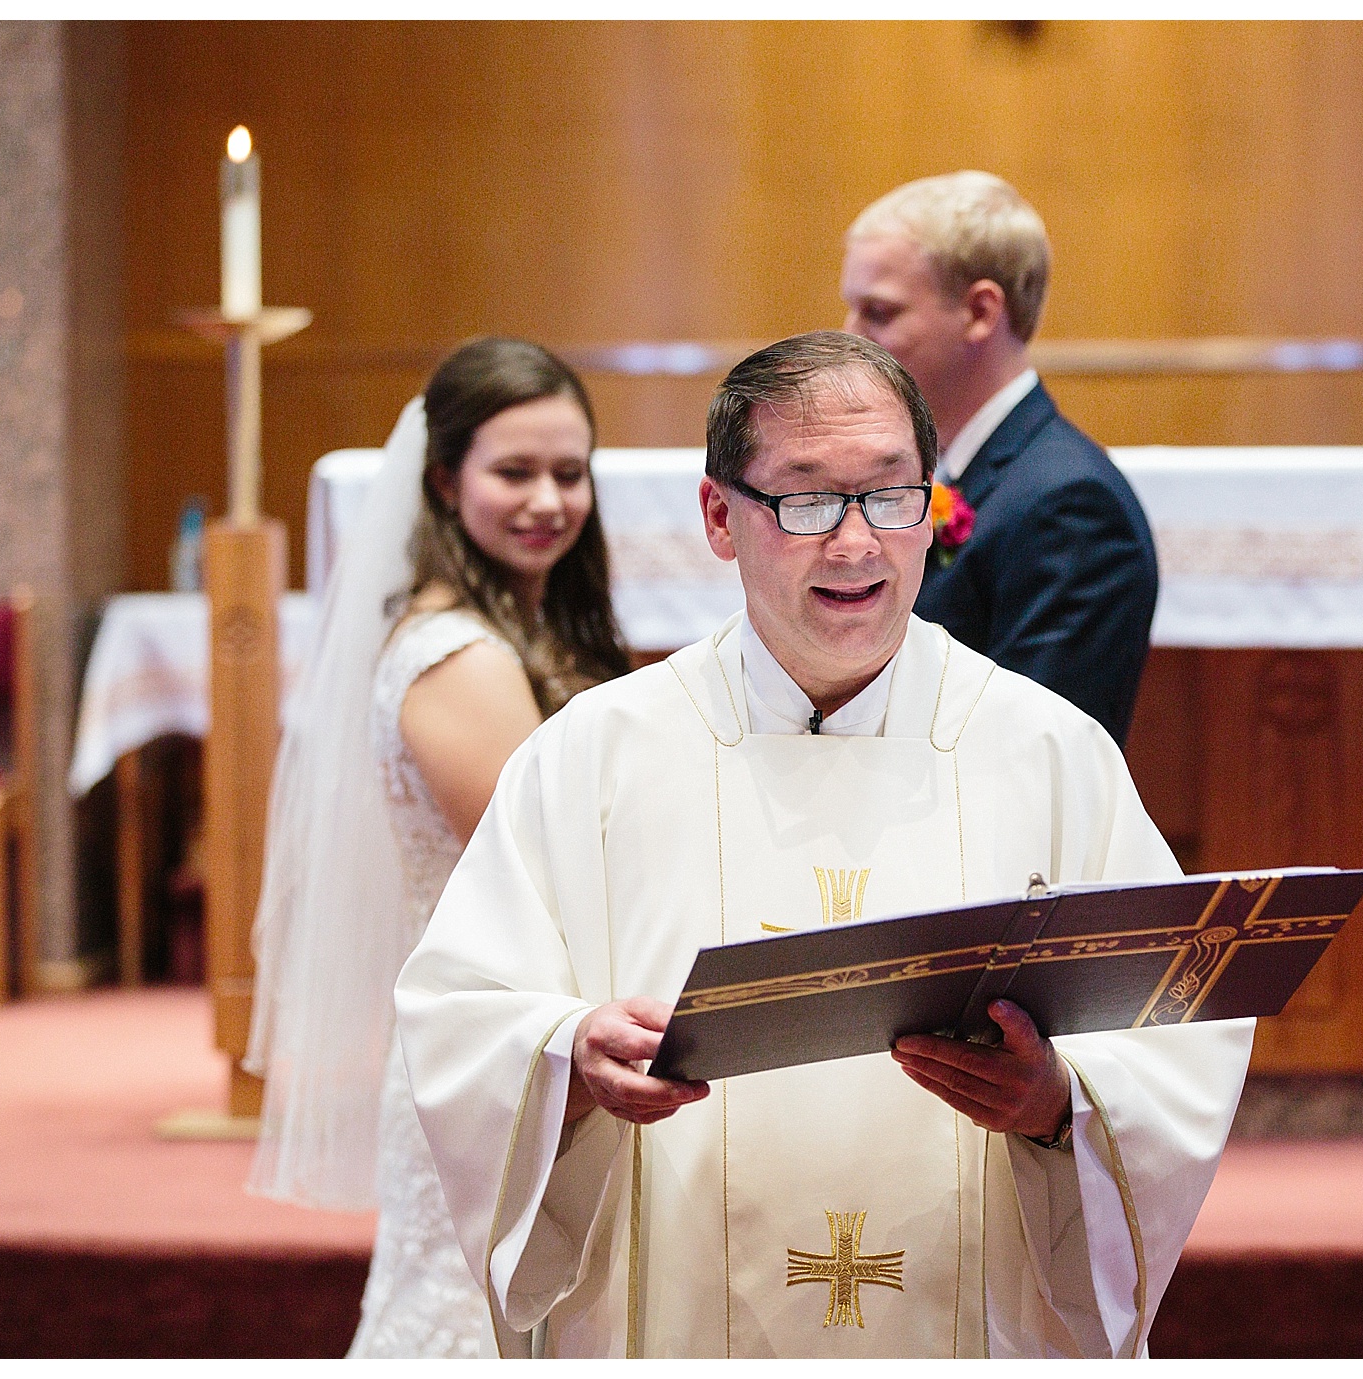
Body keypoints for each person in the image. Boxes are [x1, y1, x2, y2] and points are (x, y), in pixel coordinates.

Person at [393, 331, 1253, 1358]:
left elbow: (1174, 1029)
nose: (855, 544)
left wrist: (1060, 1101)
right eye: (805, 500)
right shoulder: (593, 753)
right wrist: (566, 1057)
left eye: (891, 496)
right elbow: (460, 1007)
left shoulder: (1045, 750)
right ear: (719, 515)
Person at [244, 337, 630, 1357]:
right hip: (493, 1037)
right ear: (443, 479)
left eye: (568, 470)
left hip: (526, 1028)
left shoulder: (521, 625)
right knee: (471, 1317)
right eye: (514, 471)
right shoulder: (456, 653)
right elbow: (549, 870)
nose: (547, 498)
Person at [840, 170, 1158, 745]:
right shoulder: (958, 471)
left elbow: (1031, 753)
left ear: (981, 312)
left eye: (879, 314)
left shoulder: (1070, 507)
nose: (851, 338)